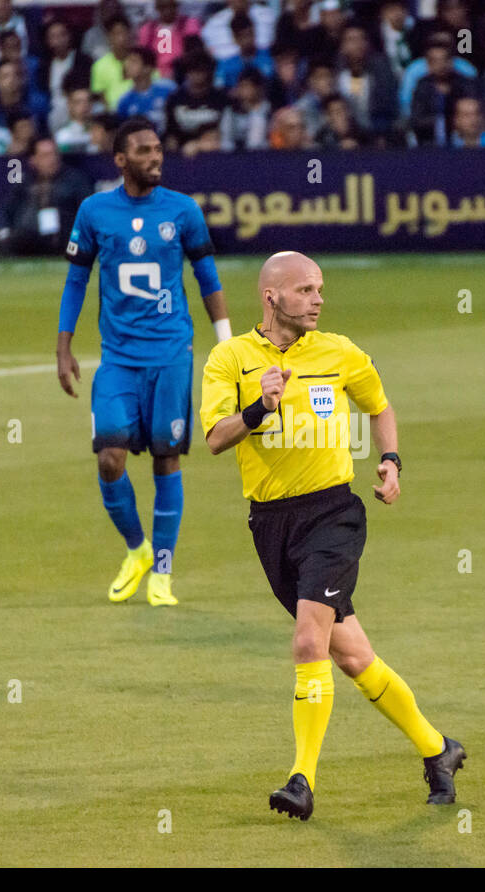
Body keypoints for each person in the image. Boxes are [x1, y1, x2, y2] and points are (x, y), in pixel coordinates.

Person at [198, 250, 466, 821]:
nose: (318, 299)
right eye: (305, 290)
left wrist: (391, 459)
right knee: (351, 656)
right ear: (271, 297)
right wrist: (257, 407)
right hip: (270, 524)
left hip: (332, 517)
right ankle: (438, 749)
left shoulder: (339, 352)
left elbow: (379, 404)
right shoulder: (231, 359)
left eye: (320, 289)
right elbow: (216, 439)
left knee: (306, 643)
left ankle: (302, 780)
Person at [55, 118, 233, 607]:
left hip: (172, 353)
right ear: (120, 160)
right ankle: (137, 550)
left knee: (166, 457)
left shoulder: (183, 210)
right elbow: (76, 281)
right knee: (109, 457)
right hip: (118, 359)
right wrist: (64, 344)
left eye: (158, 150)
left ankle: (163, 572)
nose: (155, 157)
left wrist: (226, 341)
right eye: (144, 151)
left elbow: (206, 275)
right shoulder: (94, 211)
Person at [0, 135, 92, 253]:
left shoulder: (75, 180)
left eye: (54, 154)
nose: (52, 160)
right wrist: (4, 232)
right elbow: (4, 209)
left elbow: (88, 211)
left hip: (64, 238)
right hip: (28, 237)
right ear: (33, 160)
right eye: (46, 156)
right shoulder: (24, 182)